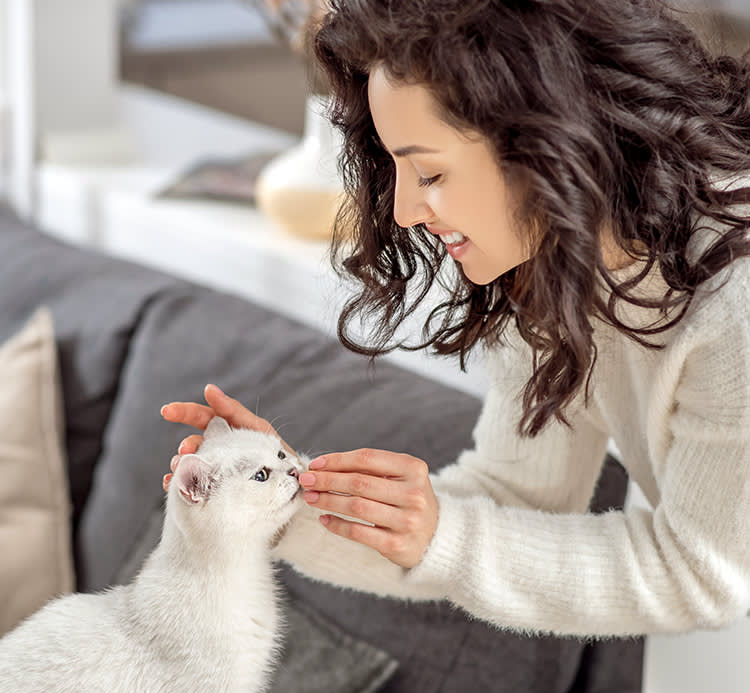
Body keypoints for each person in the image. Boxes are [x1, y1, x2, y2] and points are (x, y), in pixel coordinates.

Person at [161, 0, 750, 638]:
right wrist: (273, 500)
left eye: (430, 172)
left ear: (547, 143)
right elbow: (511, 500)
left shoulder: (735, 295)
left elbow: (701, 572)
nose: (407, 208)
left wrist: (446, 535)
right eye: (395, 169)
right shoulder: (549, 265)